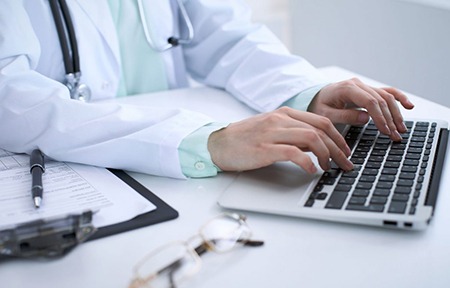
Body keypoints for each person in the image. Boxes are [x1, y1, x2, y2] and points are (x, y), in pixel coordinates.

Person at [0, 0, 414, 179]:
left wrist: (306, 91)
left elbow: (225, 35)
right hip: (63, 170)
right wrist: (204, 142)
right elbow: (11, 96)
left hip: (173, 171)